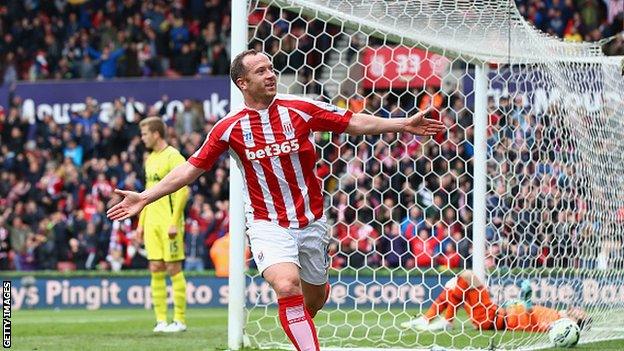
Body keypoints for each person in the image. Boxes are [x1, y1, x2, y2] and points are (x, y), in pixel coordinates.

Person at [108, 49, 444, 350]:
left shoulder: (301, 108)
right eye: (260, 71)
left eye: (271, 68)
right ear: (242, 83)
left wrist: (401, 123)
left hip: (311, 222)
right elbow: (191, 168)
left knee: (313, 300)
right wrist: (146, 197)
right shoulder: (229, 127)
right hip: (267, 223)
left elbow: (352, 121)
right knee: (286, 285)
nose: (271, 75)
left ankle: (308, 309)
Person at [400, 269, 591, 333]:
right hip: (495, 313)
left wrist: (528, 306)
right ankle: (428, 319)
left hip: (493, 318)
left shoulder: (558, 324)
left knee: (466, 277)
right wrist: (518, 303)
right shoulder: (556, 314)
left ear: (576, 322)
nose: (579, 309)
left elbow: (535, 325)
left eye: (582, 314)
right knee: (459, 287)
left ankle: (446, 321)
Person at [136, 117, 190, 333]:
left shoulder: (173, 156)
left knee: (173, 268)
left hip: (169, 222)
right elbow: (146, 196)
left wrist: (175, 221)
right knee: (155, 267)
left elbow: (183, 189)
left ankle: (180, 320)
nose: (143, 138)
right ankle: (161, 320)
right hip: (151, 223)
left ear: (156, 134)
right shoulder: (149, 159)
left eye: (145, 134)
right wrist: (141, 224)